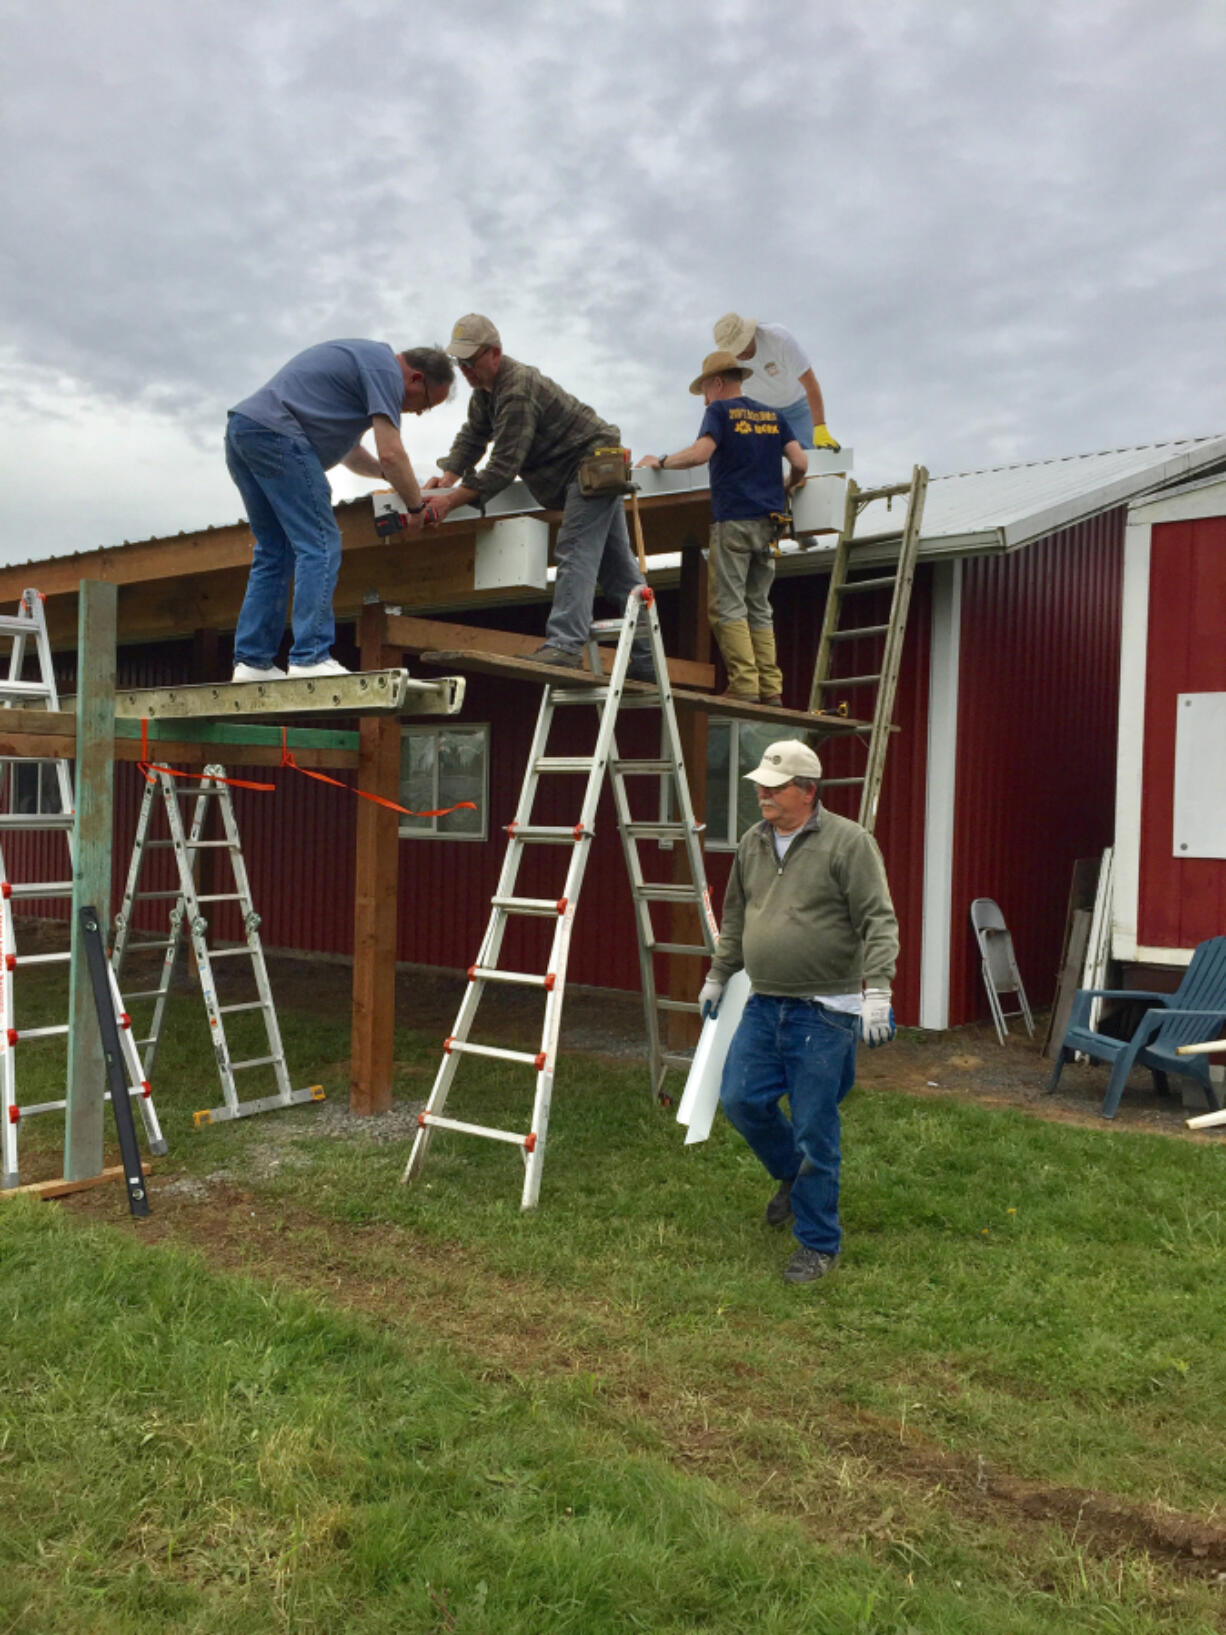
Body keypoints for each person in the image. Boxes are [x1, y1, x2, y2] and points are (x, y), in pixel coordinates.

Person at [698, 739, 899, 1285]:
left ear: (808, 791)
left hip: (825, 1011)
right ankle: (791, 1175)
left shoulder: (848, 843)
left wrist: (877, 990)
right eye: (760, 784)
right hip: (765, 1003)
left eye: (774, 785)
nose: (762, 793)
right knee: (740, 1098)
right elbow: (736, 916)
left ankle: (817, 1243)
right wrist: (720, 974)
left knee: (815, 1127)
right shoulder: (753, 842)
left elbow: (878, 920)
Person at [423, 314, 655, 680]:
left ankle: (564, 645)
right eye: (460, 363)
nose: (465, 371)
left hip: (592, 465)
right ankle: (648, 661)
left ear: (494, 354)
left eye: (470, 361)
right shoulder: (486, 393)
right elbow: (473, 435)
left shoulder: (516, 389)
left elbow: (502, 467)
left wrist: (449, 503)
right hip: (578, 471)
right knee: (619, 574)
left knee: (575, 550)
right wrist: (448, 477)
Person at [226, 340, 454, 682]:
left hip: (244, 430)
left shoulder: (361, 369)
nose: (418, 413)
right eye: (425, 404)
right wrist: (416, 507)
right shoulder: (384, 370)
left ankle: (252, 664)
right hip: (277, 435)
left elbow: (353, 454)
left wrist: (387, 475)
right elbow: (393, 453)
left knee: (275, 551)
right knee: (319, 542)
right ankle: (310, 657)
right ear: (416, 378)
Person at [637, 350, 807, 705]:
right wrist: (788, 485)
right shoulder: (773, 416)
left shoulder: (720, 412)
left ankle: (745, 685)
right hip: (771, 524)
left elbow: (700, 454)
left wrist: (661, 461)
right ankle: (771, 687)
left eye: (704, 390)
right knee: (759, 606)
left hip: (734, 521)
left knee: (727, 605)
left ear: (717, 382)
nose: (704, 400)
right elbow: (800, 461)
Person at [711, 313, 840, 451]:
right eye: (735, 350)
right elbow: (727, 401)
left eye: (742, 345)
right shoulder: (726, 364)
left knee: (808, 459)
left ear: (749, 333)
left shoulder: (779, 338)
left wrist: (820, 427)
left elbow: (810, 383)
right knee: (766, 462)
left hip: (797, 406)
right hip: (763, 415)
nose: (740, 353)